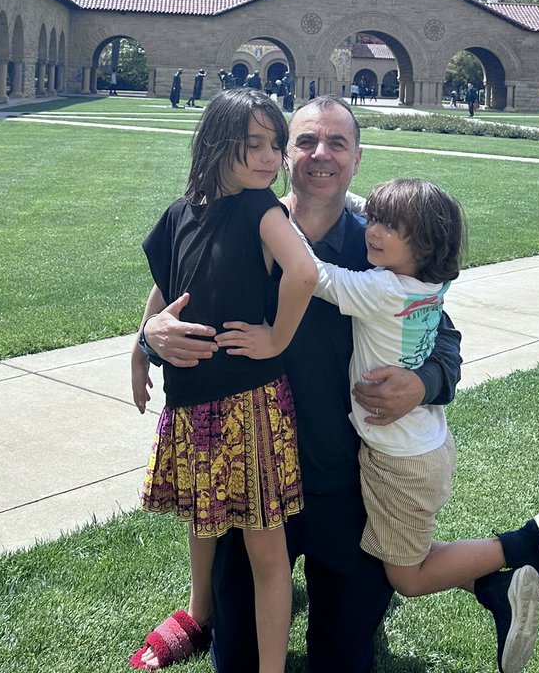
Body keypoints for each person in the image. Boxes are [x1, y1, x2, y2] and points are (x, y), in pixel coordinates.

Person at [139, 98, 467, 673]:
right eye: (306, 141)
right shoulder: (239, 225)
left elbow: (444, 338)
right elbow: (178, 288)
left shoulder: (381, 247)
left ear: (357, 159)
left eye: (337, 143)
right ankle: (206, 612)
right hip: (256, 477)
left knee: (342, 661)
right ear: (287, 155)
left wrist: (422, 382)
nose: (321, 155)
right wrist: (147, 337)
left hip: (345, 484)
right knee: (235, 660)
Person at [307, 178, 539, 673]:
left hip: (398, 461)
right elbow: (395, 222)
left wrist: (277, 223)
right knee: (400, 551)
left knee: (407, 575)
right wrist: (358, 198)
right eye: (375, 218)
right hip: (425, 444)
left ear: (424, 242)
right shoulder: (431, 282)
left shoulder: (384, 287)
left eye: (392, 226)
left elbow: (317, 277)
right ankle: (494, 589)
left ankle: (522, 545)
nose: (374, 231)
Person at [129, 89, 319, 672]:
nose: (269, 157)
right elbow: (168, 287)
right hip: (191, 403)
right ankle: (197, 613)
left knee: (267, 550)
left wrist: (277, 338)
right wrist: (140, 350)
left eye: (274, 144)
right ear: (216, 144)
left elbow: (304, 271)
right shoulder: (181, 213)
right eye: (253, 144)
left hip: (249, 406)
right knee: (201, 515)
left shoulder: (262, 209)